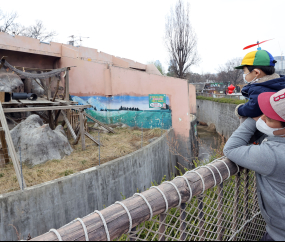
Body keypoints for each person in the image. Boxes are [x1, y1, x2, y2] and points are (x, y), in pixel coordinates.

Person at [223, 88, 285, 241]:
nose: (262, 118)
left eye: (269, 118)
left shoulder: (273, 154)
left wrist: (252, 120)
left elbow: (231, 148)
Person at [234, 50, 285, 119]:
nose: (244, 74)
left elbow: (252, 108)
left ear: (256, 73)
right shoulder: (280, 82)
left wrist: (239, 110)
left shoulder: (259, 89)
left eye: (244, 71)